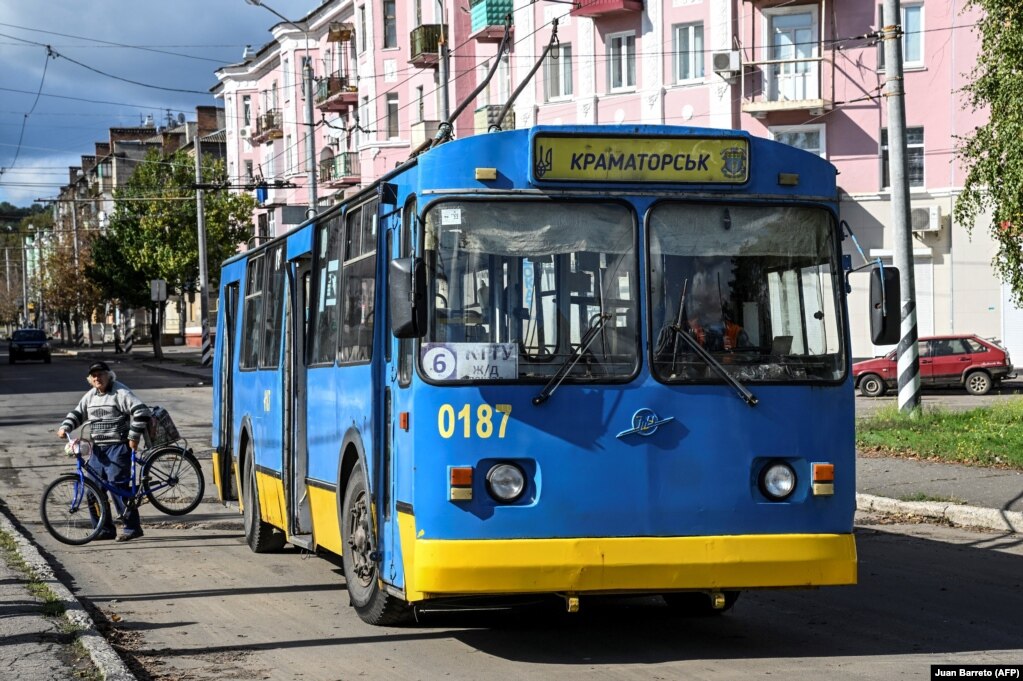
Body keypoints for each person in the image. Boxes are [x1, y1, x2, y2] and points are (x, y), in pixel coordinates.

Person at [56, 361, 152, 542]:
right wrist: (65, 427)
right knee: (93, 490)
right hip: (98, 450)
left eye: (100, 374)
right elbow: (78, 413)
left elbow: (142, 411)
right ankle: (103, 528)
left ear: (109, 375)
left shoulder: (120, 392)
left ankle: (132, 527)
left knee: (118, 487)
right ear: (90, 380)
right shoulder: (90, 396)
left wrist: (133, 436)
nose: (97, 378)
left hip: (118, 447)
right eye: (93, 375)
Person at [685, 269, 749, 352]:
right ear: (705, 298)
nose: (723, 298)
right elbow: (684, 359)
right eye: (717, 293)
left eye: (723, 293)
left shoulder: (735, 332)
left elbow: (749, 358)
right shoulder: (690, 328)